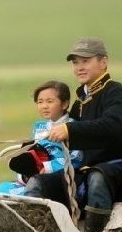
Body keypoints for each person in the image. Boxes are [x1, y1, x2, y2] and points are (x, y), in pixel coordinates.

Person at [46, 37, 122, 232]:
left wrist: (70, 130)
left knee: (97, 178)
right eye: (75, 62)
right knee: (41, 182)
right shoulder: (80, 102)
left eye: (85, 60)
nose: (79, 67)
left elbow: (113, 128)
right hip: (90, 168)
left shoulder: (118, 95)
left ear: (104, 62)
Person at [5, 80, 85, 208]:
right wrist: (24, 172)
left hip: (60, 178)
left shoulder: (73, 126)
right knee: (2, 189)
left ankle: (34, 222)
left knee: (34, 185)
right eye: (40, 102)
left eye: (50, 101)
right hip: (36, 174)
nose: (44, 106)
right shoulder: (38, 126)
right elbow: (32, 152)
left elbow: (76, 158)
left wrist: (48, 167)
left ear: (64, 104)